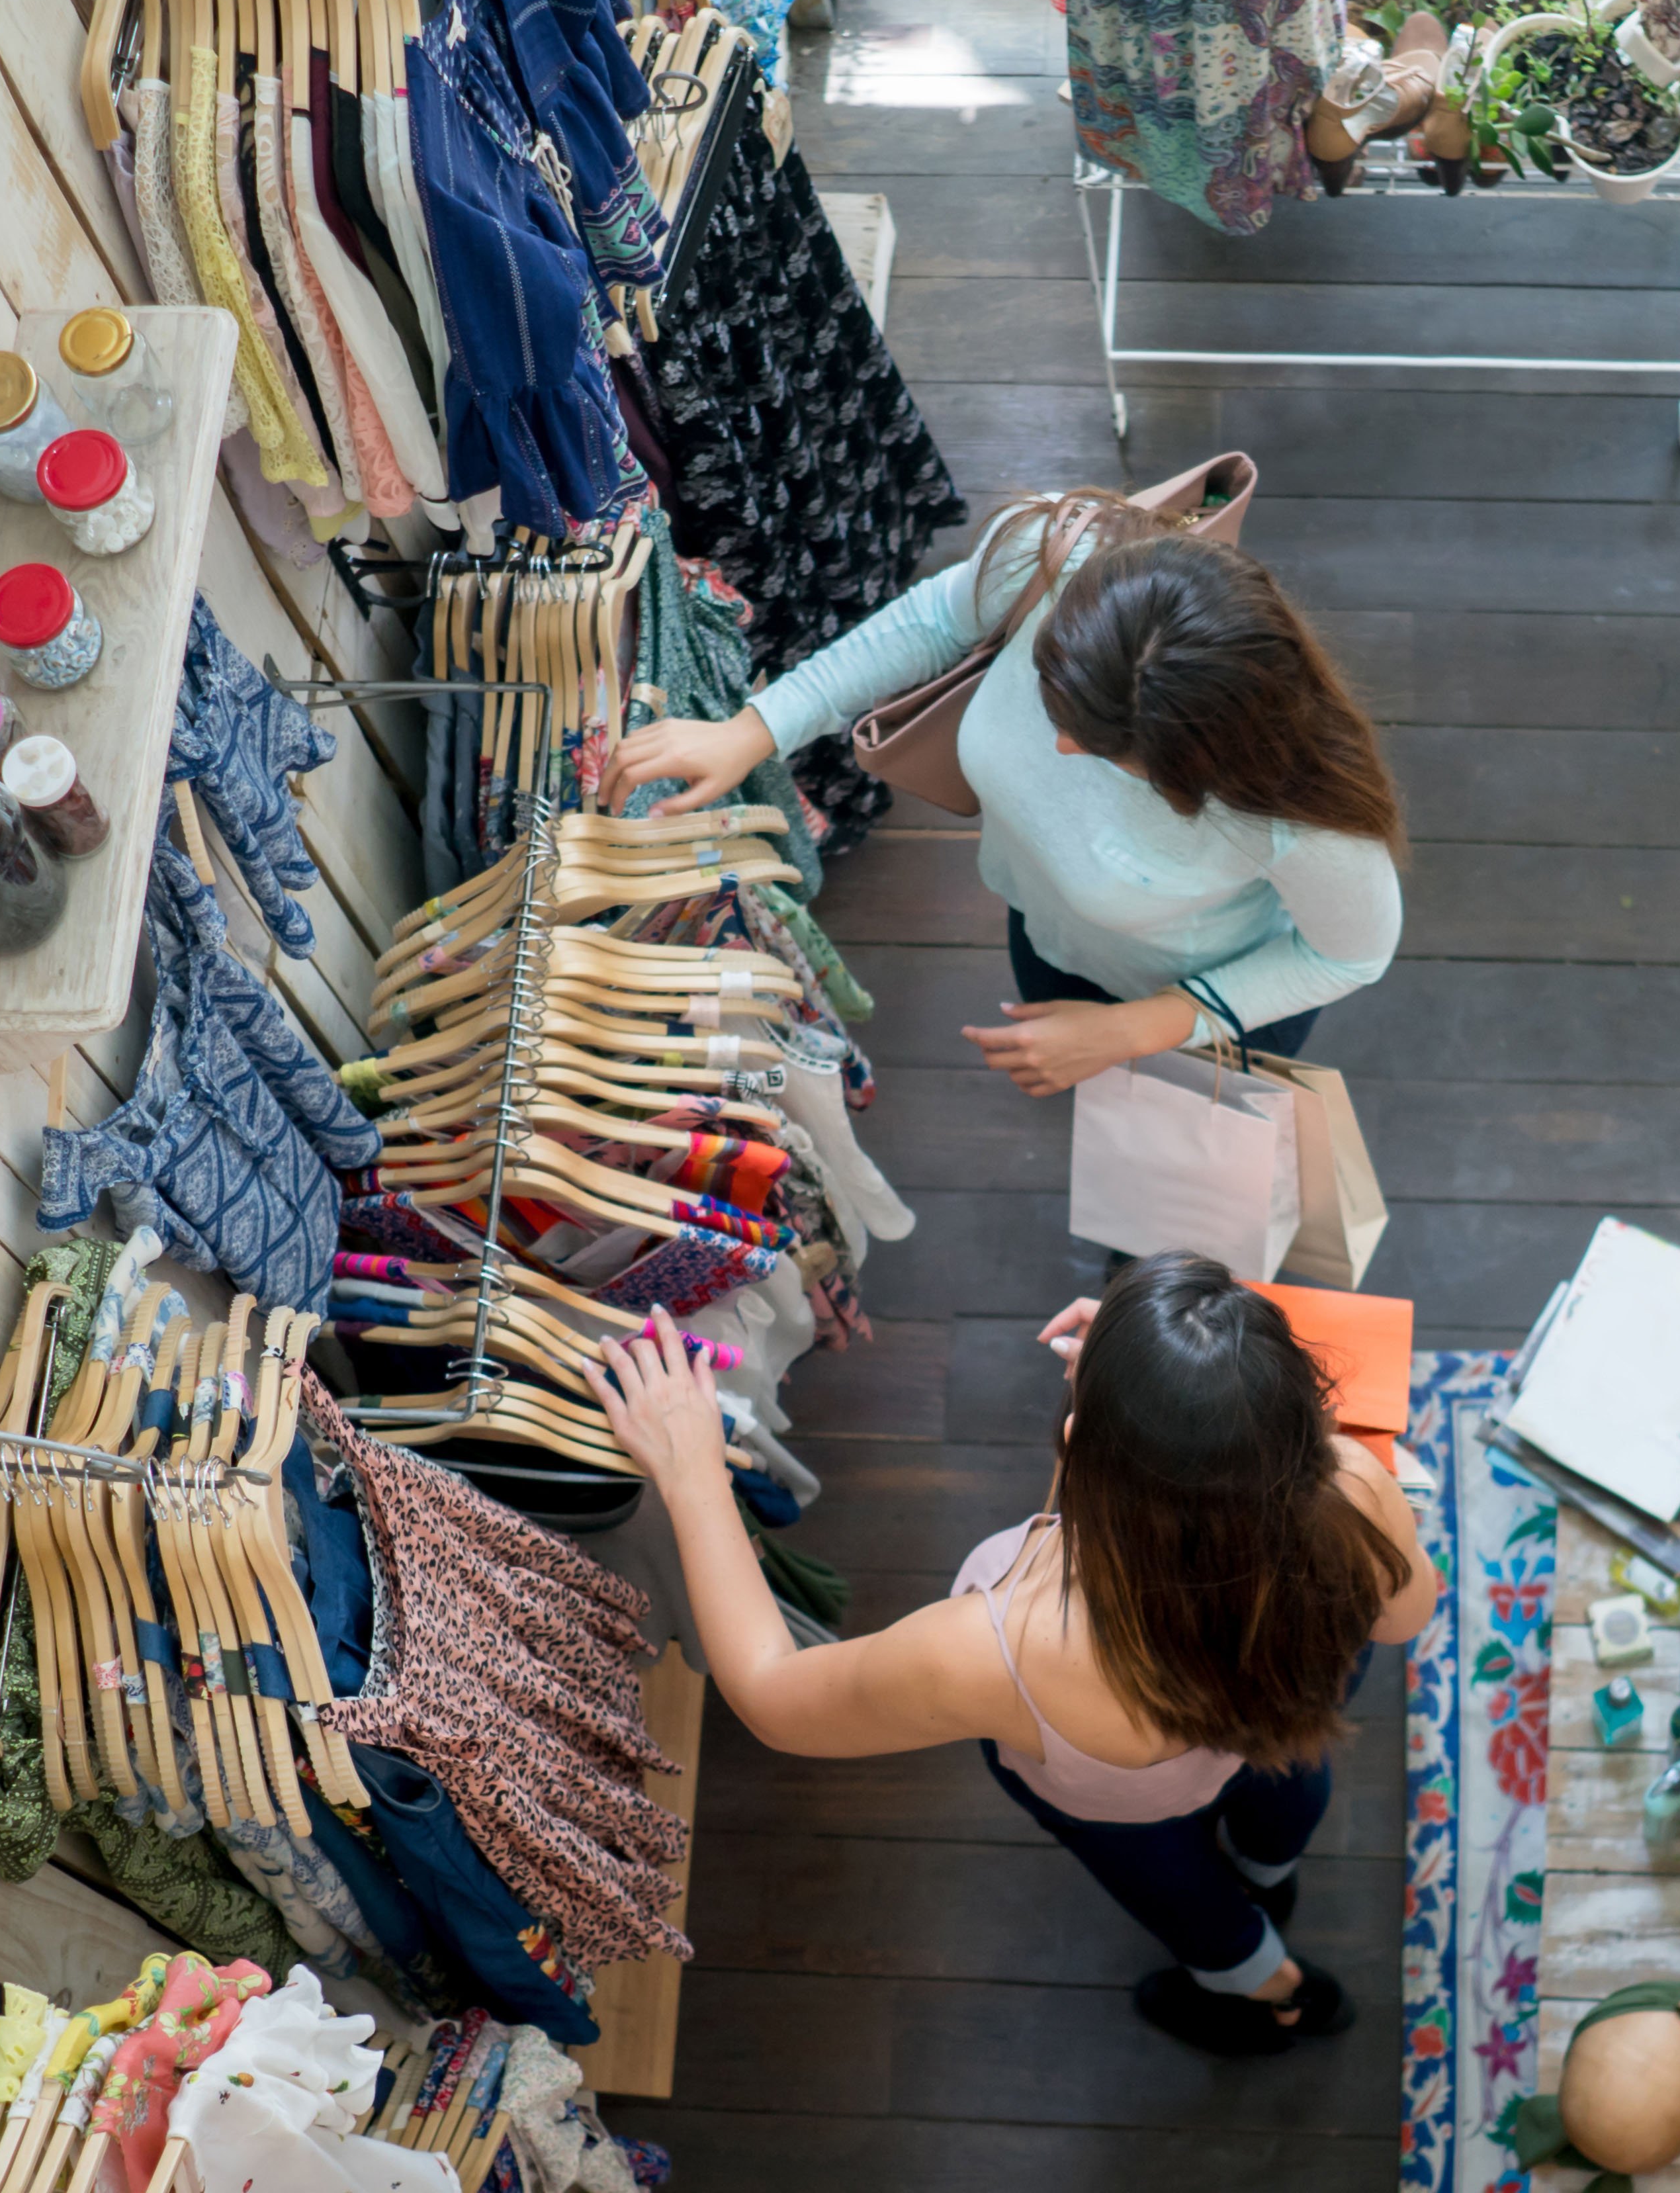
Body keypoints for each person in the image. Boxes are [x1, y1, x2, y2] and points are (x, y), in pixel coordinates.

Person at [591, 1253, 1440, 2055]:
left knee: (1174, 1889)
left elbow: (774, 1696)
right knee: (1284, 1786)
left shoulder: (998, 1653)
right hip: (1282, 1705)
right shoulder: (1352, 1488)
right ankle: (1272, 1868)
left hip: (1131, 1800)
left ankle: (1270, 1988)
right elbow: (1404, 1621)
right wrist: (1173, 1384)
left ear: (1078, 1448)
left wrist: (694, 1472)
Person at [601, 497, 1405, 1091]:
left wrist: (1127, 1031)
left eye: (1102, 749)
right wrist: (757, 727)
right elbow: (932, 621)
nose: (1058, 747)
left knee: (1172, 1205)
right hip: (1049, 937)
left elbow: (1349, 952)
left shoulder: (1301, 821)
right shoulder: (1056, 555)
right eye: (1050, 700)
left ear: (1202, 760)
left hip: (1209, 1015)